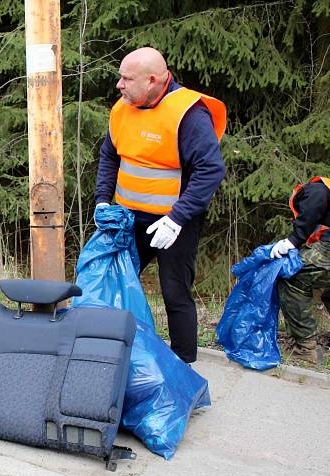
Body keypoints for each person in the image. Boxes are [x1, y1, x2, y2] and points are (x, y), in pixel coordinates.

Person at [95, 47, 226, 364]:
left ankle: (183, 362)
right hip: (128, 219)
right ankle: (114, 349)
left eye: (127, 79)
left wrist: (177, 218)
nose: (119, 85)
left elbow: (211, 169)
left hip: (173, 223)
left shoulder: (188, 113)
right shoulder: (122, 109)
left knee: (174, 292)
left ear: (152, 80)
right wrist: (102, 200)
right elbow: (110, 156)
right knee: (116, 281)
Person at [271, 176, 330, 365]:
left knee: (292, 277)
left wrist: (293, 240)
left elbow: (315, 203)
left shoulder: (313, 190)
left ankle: (305, 348)